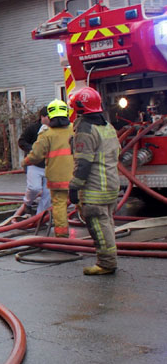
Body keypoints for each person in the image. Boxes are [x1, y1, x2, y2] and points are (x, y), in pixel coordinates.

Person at [68, 87, 121, 275]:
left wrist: (74, 186)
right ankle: (109, 259)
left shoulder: (85, 128)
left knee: (98, 226)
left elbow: (83, 162)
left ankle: (106, 263)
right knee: (106, 223)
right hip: (111, 184)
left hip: (95, 187)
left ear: (80, 107)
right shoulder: (106, 126)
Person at [22, 99, 74, 237]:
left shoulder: (46, 134)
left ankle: (62, 236)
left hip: (57, 178)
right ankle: (95, 230)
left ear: (50, 116)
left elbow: (36, 155)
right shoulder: (75, 129)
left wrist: (25, 162)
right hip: (77, 176)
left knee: (59, 205)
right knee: (82, 202)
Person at [18, 106, 52, 215]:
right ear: (42, 117)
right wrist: (33, 149)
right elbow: (22, 141)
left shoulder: (54, 129)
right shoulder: (32, 128)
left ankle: (40, 216)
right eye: (48, 117)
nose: (51, 119)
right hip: (34, 164)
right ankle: (27, 203)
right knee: (34, 188)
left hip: (49, 166)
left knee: (48, 194)